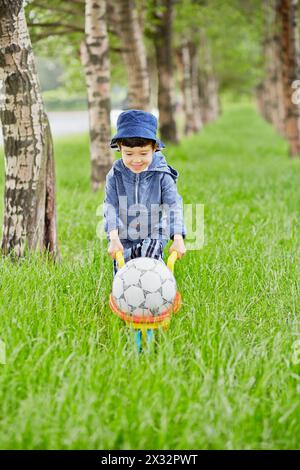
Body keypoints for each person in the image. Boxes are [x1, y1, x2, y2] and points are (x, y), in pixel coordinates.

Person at [103, 109, 186, 275]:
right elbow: (110, 206)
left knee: (149, 258)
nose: (136, 160)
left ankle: (157, 291)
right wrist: (113, 237)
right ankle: (126, 298)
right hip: (124, 231)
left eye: (143, 153)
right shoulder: (115, 174)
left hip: (155, 230)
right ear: (119, 148)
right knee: (124, 270)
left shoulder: (162, 173)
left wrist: (177, 238)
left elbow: (173, 205)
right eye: (129, 153)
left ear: (154, 148)